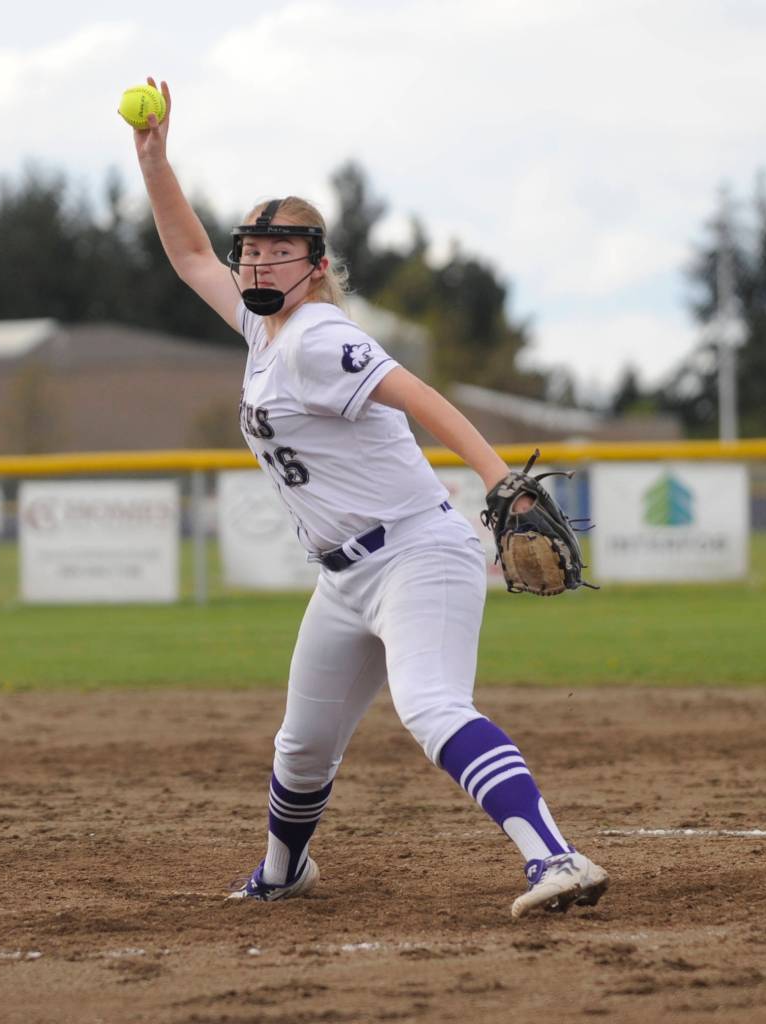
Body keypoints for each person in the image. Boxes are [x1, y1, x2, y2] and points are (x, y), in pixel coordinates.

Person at [130, 78, 608, 921]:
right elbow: (190, 256)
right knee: (302, 744)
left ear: (316, 266)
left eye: (277, 251)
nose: (255, 262)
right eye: (251, 249)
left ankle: (556, 857)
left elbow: (419, 395)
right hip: (344, 576)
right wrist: (154, 161)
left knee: (430, 707)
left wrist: (498, 478)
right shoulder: (263, 328)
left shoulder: (318, 336)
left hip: (416, 554)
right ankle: (284, 872)